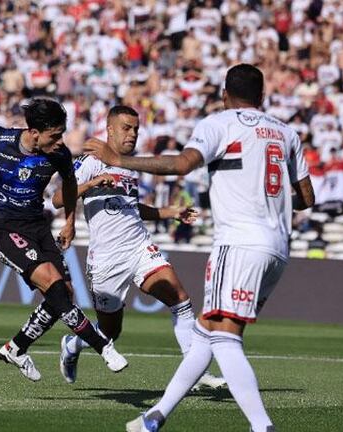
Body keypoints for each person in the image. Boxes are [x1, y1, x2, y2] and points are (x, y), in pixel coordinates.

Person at [85, 64, 315, 432]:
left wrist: (118, 160)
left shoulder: (218, 123)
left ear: (225, 95)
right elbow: (306, 197)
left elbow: (181, 165)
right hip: (277, 248)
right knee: (206, 332)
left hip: (239, 243)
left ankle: (262, 426)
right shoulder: (287, 132)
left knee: (224, 337)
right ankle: (154, 418)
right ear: (263, 97)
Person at [0, 98, 128, 382]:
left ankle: (16, 348)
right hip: (2, 226)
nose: (60, 141)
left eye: (62, 133)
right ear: (35, 133)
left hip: (37, 226)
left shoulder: (59, 154)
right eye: (54, 135)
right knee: (53, 285)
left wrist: (71, 222)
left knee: (66, 293)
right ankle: (103, 346)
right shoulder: (0, 138)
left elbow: (70, 185)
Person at [52, 105, 225, 389]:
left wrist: (170, 212)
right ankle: (72, 345)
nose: (132, 134)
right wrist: (92, 185)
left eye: (135, 129)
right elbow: (60, 198)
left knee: (179, 298)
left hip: (139, 247)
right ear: (109, 129)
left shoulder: (128, 164)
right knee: (110, 332)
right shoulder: (91, 160)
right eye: (126, 128)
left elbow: (131, 207)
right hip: (107, 258)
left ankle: (195, 370)